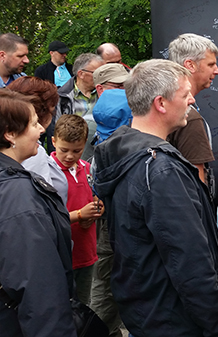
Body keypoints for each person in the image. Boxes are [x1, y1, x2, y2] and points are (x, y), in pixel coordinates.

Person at [93, 59, 218, 336]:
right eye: (185, 95)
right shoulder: (161, 172)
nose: (192, 100)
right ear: (161, 103)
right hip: (175, 320)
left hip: (148, 311)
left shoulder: (125, 154)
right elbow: (190, 263)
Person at [0, 89, 75, 337]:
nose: (41, 129)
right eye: (33, 124)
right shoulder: (19, 196)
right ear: (10, 134)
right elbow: (39, 289)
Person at [89, 66, 130, 337]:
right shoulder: (122, 144)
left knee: (105, 278)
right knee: (106, 281)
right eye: (119, 86)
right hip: (112, 221)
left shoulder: (100, 137)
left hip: (105, 218)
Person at [50, 114, 103, 305]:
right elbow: (49, 217)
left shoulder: (87, 168)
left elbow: (95, 197)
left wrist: (97, 209)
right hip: (61, 257)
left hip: (86, 252)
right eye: (64, 150)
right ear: (54, 142)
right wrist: (79, 215)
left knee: (83, 305)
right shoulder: (48, 173)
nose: (70, 156)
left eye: (77, 150)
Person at [167, 33, 218, 191]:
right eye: (211, 64)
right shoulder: (187, 116)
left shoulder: (163, 106)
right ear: (190, 65)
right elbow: (197, 180)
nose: (217, 71)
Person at [6, 76, 64, 204]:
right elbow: (39, 204)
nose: (42, 128)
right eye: (52, 112)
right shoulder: (31, 152)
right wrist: (79, 213)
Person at [54, 52, 105, 161]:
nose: (101, 77)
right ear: (81, 74)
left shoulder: (104, 93)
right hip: (71, 157)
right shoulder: (62, 97)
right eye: (97, 73)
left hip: (100, 154)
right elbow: (56, 131)